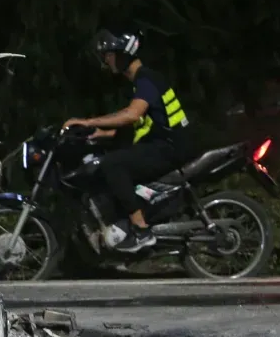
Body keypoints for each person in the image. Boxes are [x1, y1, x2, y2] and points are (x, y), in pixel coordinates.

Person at [64, 28, 195, 253]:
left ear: (123, 54)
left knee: (113, 164)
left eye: (110, 55)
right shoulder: (141, 83)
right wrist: (99, 134)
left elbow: (132, 115)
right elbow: (139, 125)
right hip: (163, 144)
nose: (107, 60)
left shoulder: (147, 79)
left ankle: (141, 229)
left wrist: (87, 122)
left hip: (169, 147)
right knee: (113, 158)